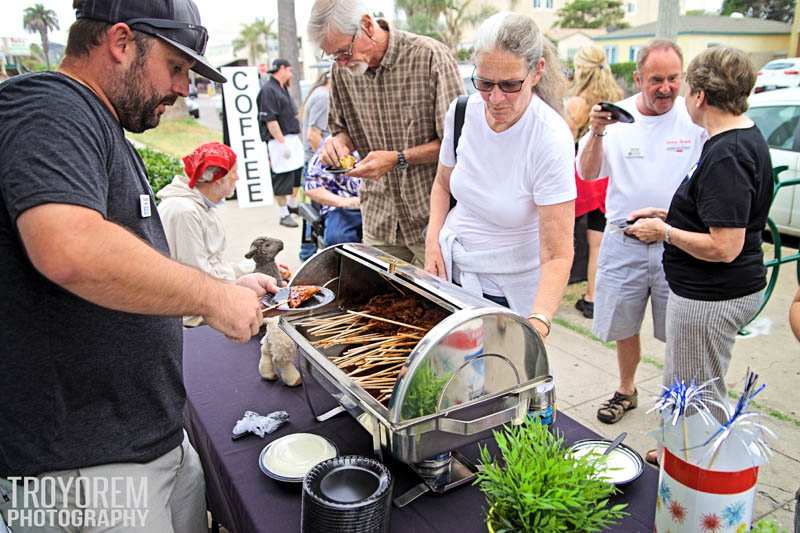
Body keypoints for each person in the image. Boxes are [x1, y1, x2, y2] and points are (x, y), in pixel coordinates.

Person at [0, 2, 278, 531]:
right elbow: (69, 248)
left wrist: (224, 284)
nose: (181, 87)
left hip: (151, 441)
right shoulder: (49, 106)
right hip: (84, 467)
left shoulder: (104, 128)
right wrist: (213, 299)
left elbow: (129, 270)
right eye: (175, 67)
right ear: (122, 42)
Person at [625, 46, 772, 407]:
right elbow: (721, 214)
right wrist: (668, 216)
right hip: (711, 291)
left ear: (701, 96)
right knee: (685, 385)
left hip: (711, 296)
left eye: (686, 87)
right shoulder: (737, 138)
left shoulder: (728, 153)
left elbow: (725, 246)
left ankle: (693, 458)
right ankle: (678, 452)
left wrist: (665, 233)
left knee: (695, 398)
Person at [424, 12, 575, 340]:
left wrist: (539, 320)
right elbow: (441, 184)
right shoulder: (462, 112)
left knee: (495, 385)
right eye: (485, 83)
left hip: (505, 292)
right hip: (452, 276)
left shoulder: (549, 137)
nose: (494, 98)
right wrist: (433, 240)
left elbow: (558, 253)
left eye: (509, 85)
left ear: (536, 72)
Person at [577, 40, 706, 424]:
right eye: (656, 80)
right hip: (625, 239)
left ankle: (678, 399)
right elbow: (586, 172)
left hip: (677, 243)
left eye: (673, 79)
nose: (666, 88)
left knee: (680, 331)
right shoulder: (617, 118)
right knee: (623, 324)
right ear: (638, 79)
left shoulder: (693, 117)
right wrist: (596, 132)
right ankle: (626, 389)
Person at [308, 0, 464, 266]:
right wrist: (338, 145)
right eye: (333, 56)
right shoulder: (342, 72)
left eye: (344, 52)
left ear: (367, 25)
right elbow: (343, 131)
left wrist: (398, 158)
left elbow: (457, 146)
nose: (342, 62)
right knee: (382, 303)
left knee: (439, 304)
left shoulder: (429, 57)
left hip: (432, 218)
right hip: (379, 218)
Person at [565, 45, 624, 319]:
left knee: (562, 235)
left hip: (582, 174)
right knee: (598, 241)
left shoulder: (577, 101)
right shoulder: (617, 97)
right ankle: (593, 297)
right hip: (606, 174)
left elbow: (566, 139)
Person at [258, 58, 302, 228]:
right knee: (282, 179)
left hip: (292, 138)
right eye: (289, 70)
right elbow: (270, 119)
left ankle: (292, 205)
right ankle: (283, 214)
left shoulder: (283, 88)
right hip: (279, 141)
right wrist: (282, 143)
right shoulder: (268, 90)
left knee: (296, 177)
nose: (291, 74)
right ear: (282, 69)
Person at [304, 137, 363, 246]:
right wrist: (345, 202)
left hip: (380, 205)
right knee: (338, 238)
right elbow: (311, 187)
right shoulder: (331, 146)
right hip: (344, 206)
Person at [299, 70, 332, 260]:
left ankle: (306, 255)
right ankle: (308, 256)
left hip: (311, 162)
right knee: (318, 217)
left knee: (312, 214)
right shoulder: (324, 97)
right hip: (317, 166)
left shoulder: (319, 93)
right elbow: (313, 136)